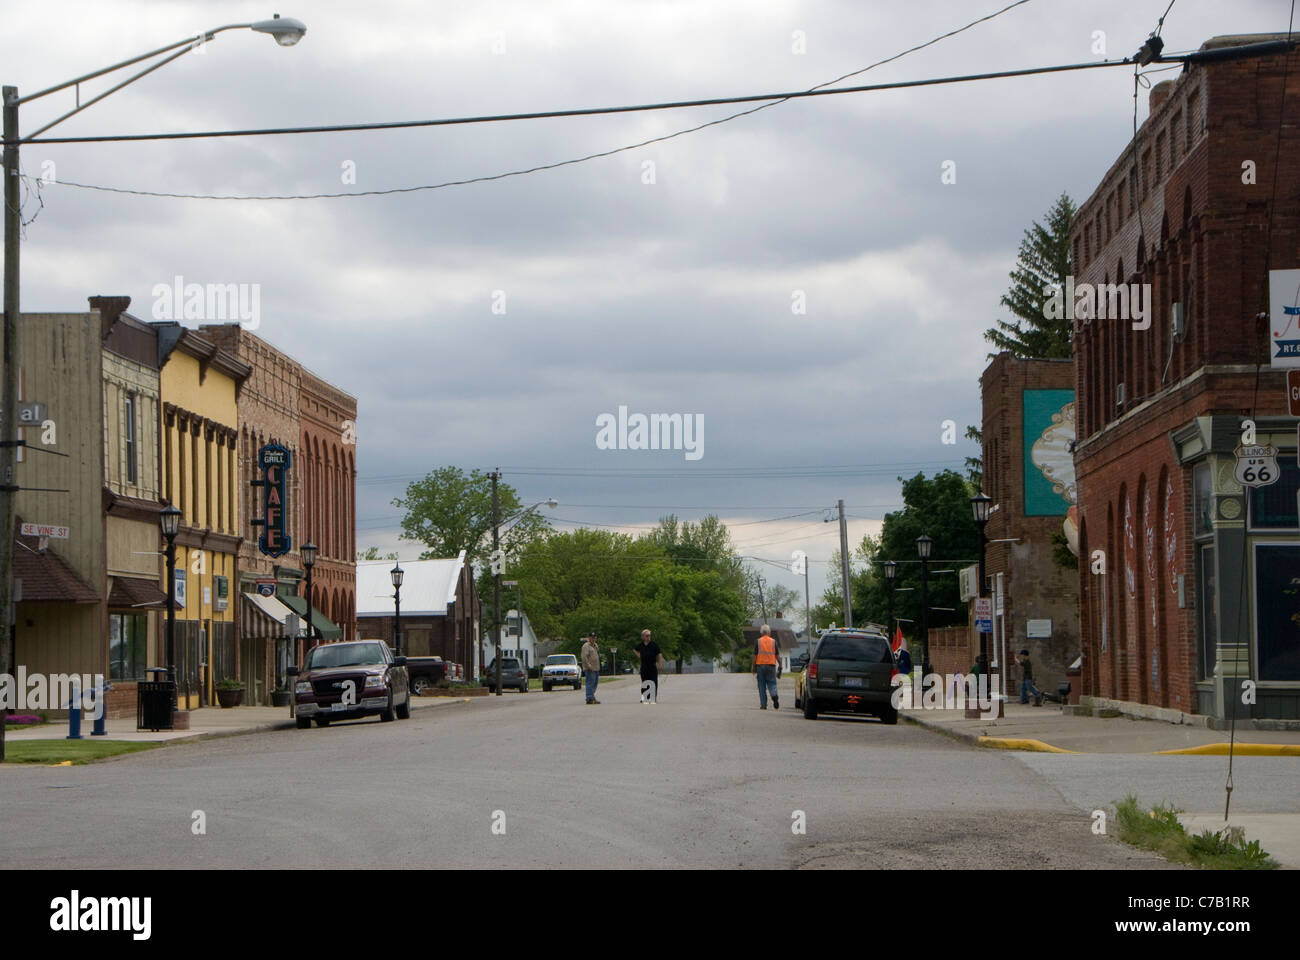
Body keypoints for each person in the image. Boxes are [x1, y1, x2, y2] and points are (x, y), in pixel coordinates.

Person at [752, 624, 780, 710]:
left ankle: (763, 705)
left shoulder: (758, 641)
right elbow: (777, 656)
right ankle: (774, 695)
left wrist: (753, 666)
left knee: (761, 686)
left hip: (760, 666)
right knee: (772, 683)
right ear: (769, 632)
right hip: (771, 666)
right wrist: (781, 665)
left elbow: (755, 655)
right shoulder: (773, 642)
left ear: (761, 632)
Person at [633, 628, 663, 703]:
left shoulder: (654, 644)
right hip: (644, 666)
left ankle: (653, 697)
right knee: (644, 682)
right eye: (646, 636)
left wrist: (660, 664)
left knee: (653, 681)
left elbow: (659, 654)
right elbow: (635, 650)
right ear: (643, 636)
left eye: (649, 635)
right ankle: (645, 697)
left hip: (652, 665)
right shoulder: (641, 645)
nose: (648, 637)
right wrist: (639, 656)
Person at [581, 631, 601, 704]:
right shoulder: (586, 646)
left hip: (596, 667)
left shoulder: (595, 645)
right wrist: (588, 665)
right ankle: (589, 698)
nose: (593, 639)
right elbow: (584, 657)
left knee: (595, 683)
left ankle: (592, 697)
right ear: (589, 638)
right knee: (590, 683)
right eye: (592, 637)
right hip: (590, 668)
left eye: (594, 637)